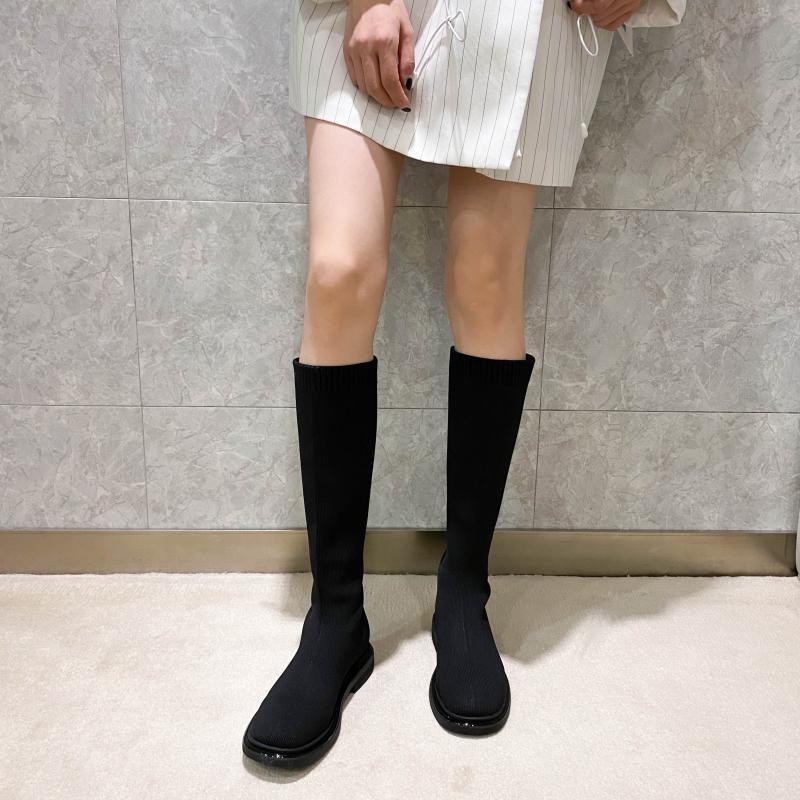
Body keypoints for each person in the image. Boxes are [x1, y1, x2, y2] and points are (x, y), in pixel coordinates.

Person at [243, 0, 686, 769]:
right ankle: (336, 615)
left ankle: (463, 592)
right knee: (339, 272)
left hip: (523, 19)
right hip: (364, 12)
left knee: (486, 283)